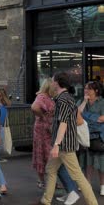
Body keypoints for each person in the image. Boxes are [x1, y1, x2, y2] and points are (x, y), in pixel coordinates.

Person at [39, 72, 98, 205]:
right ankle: (46, 200)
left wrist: (56, 145)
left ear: (57, 83)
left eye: (53, 81)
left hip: (64, 145)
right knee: (50, 169)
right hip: (64, 144)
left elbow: (63, 123)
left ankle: (93, 203)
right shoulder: (66, 98)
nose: (52, 83)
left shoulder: (63, 99)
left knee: (78, 176)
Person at [77, 81, 104, 197]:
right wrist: (84, 101)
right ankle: (86, 185)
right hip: (85, 136)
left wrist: (85, 117)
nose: (86, 91)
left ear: (96, 90)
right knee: (87, 162)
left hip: (99, 136)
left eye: (89, 89)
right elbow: (77, 114)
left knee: (101, 163)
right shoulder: (82, 101)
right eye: (85, 88)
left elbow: (102, 119)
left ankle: (103, 186)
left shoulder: (102, 102)